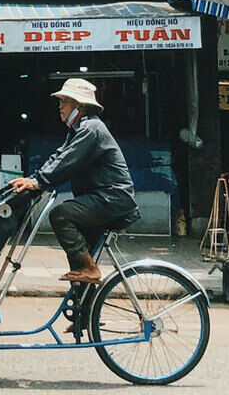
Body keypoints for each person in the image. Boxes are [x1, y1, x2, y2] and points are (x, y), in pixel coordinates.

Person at [10, 78, 139, 284]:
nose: (60, 106)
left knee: (61, 215)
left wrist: (39, 181)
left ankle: (89, 267)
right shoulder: (78, 130)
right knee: (77, 267)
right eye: (60, 101)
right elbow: (60, 156)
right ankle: (85, 310)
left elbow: (67, 161)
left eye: (64, 101)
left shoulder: (91, 129)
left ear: (79, 106)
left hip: (111, 198)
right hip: (101, 198)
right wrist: (34, 179)